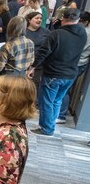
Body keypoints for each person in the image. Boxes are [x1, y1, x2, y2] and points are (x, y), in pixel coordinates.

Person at [31, 8, 88, 136]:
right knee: (57, 101)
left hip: (54, 73)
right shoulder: (82, 33)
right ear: (78, 20)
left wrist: (32, 66)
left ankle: (46, 128)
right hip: (71, 73)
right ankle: (50, 125)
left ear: (63, 18)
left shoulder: (56, 34)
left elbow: (43, 53)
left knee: (46, 101)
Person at [58, 12, 90, 124]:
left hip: (77, 64)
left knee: (64, 89)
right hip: (80, 64)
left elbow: (77, 49)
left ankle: (61, 115)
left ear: (84, 21)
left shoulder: (85, 33)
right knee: (65, 88)